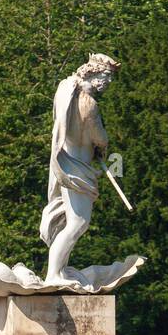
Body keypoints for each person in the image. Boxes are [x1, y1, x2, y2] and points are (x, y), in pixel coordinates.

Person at [40, 54, 120, 285]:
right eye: (106, 77)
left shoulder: (66, 91)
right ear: (93, 73)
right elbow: (99, 137)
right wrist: (101, 145)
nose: (108, 83)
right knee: (78, 222)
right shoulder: (88, 103)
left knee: (72, 222)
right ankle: (53, 274)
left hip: (68, 161)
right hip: (77, 167)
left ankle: (60, 270)